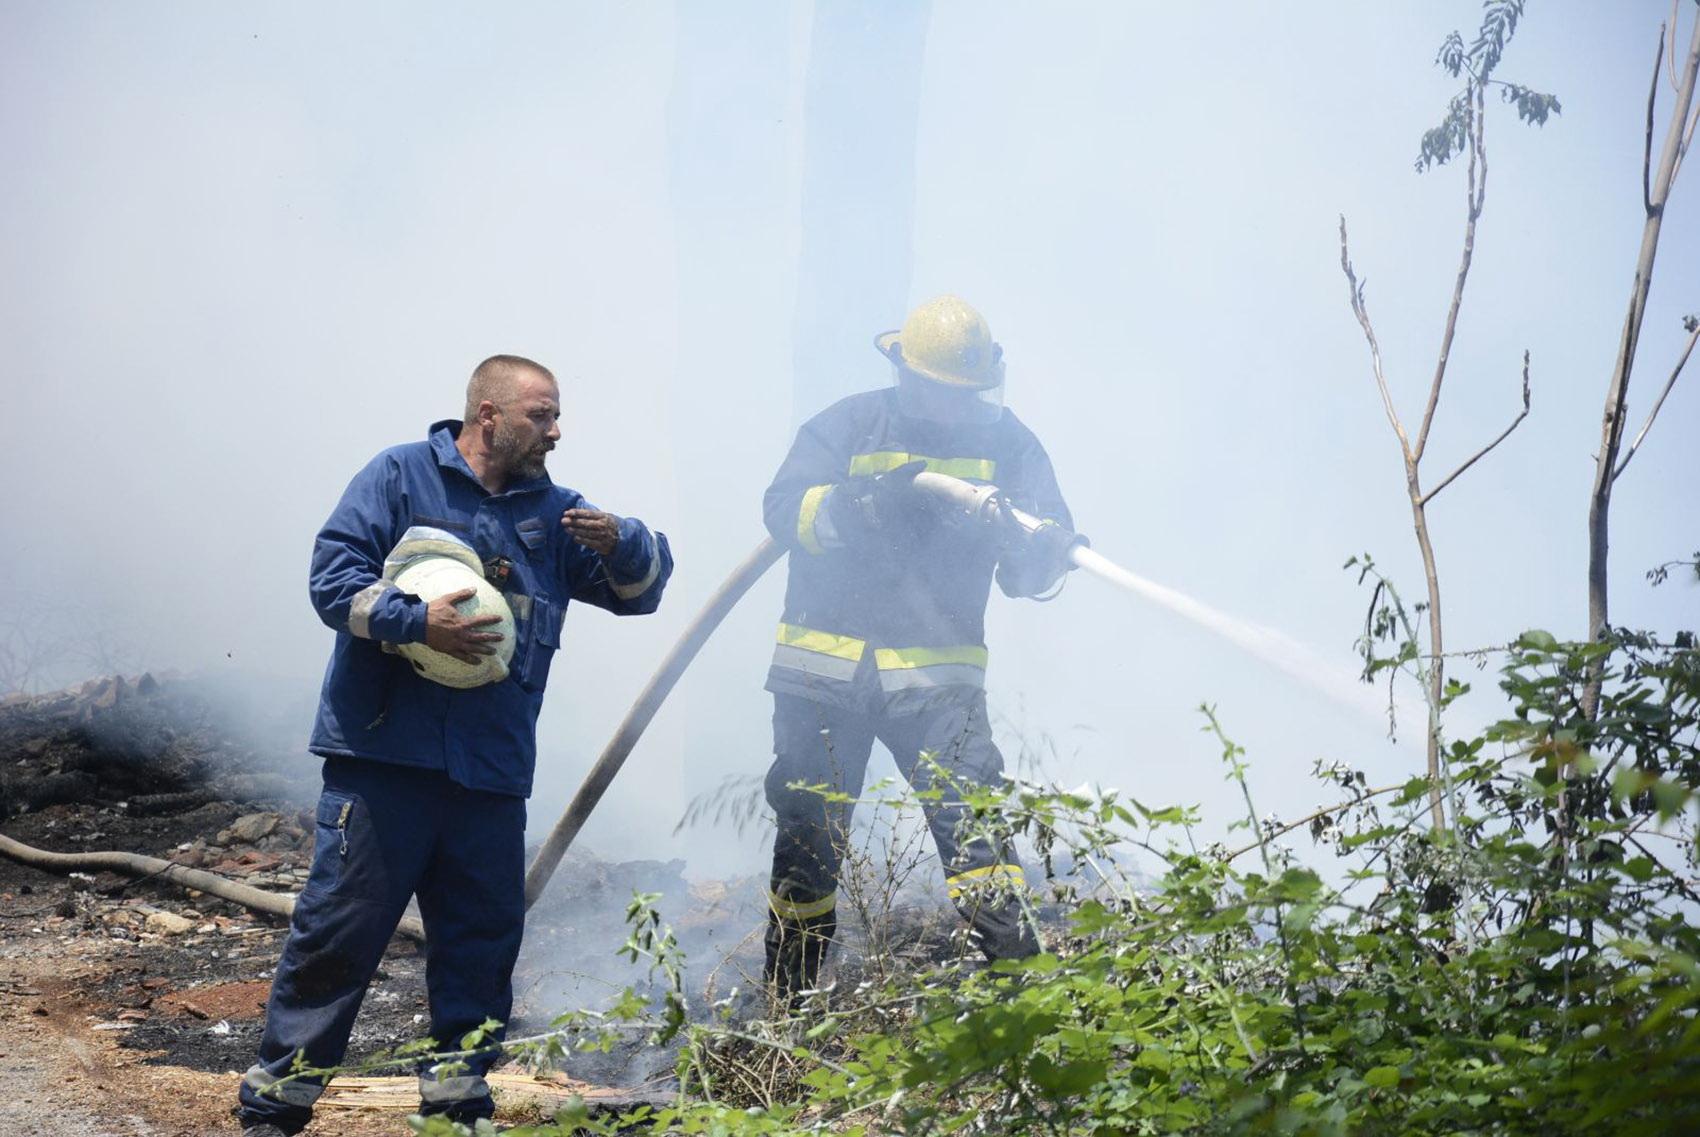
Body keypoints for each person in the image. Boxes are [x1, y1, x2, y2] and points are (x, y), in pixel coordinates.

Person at [237, 355, 672, 1135]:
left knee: (479, 944)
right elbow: (332, 580)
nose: (556, 431)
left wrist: (625, 542)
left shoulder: (557, 513)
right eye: (541, 415)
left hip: (490, 773)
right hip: (384, 763)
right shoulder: (401, 478)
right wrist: (418, 622)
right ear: (488, 414)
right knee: (341, 931)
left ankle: (455, 1109)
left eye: (557, 414)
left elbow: (640, 596)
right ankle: (276, 1106)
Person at [759, 295, 1082, 1004]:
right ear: (906, 373)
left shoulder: (1010, 444)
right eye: (943, 390)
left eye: (967, 393)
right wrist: (864, 503)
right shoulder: (847, 426)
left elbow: (1033, 561)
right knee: (809, 847)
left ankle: (1021, 1012)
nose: (956, 406)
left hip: (939, 687)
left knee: (980, 847)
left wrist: (1046, 549)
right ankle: (784, 1015)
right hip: (823, 676)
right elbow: (785, 511)